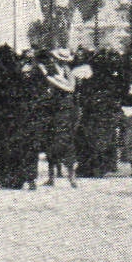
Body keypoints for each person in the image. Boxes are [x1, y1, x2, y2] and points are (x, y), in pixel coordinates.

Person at [41, 49, 84, 187]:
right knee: (51, 141)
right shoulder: (53, 70)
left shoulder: (67, 71)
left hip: (66, 109)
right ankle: (51, 176)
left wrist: (52, 80)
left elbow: (71, 88)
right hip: (53, 109)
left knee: (67, 141)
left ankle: (71, 176)